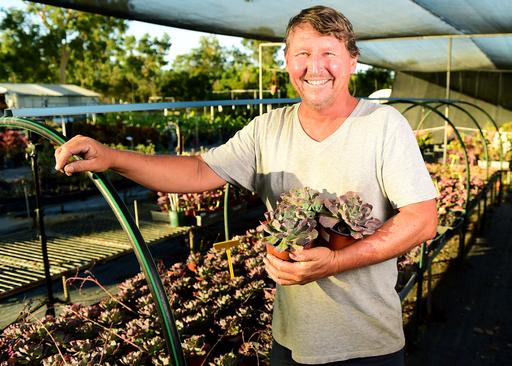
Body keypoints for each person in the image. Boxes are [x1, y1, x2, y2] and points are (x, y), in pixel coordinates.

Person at [54, 5, 438, 365]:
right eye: (302, 54)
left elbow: (422, 219)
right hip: (291, 341)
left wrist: (337, 261)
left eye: (328, 53)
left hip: (366, 346)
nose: (314, 67)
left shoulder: (383, 125)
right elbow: (200, 172)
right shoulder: (268, 128)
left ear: (353, 61)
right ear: (286, 60)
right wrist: (113, 157)